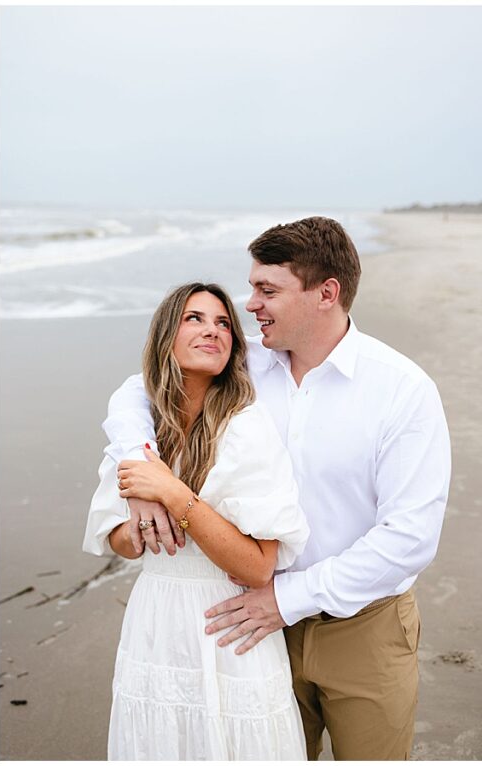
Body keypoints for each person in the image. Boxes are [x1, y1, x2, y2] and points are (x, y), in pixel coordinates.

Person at [101, 216, 451, 760]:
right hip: (251, 628)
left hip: (361, 628)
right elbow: (140, 387)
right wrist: (140, 469)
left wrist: (286, 600)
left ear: (325, 293)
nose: (250, 304)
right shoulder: (246, 365)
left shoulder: (402, 390)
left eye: (267, 289)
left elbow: (409, 538)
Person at [83, 282, 311, 759]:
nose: (213, 330)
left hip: (228, 623)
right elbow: (117, 540)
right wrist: (142, 518)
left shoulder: (246, 427)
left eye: (224, 322)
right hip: (155, 618)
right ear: (167, 335)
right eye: (195, 318)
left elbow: (256, 568)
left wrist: (172, 494)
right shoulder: (141, 427)